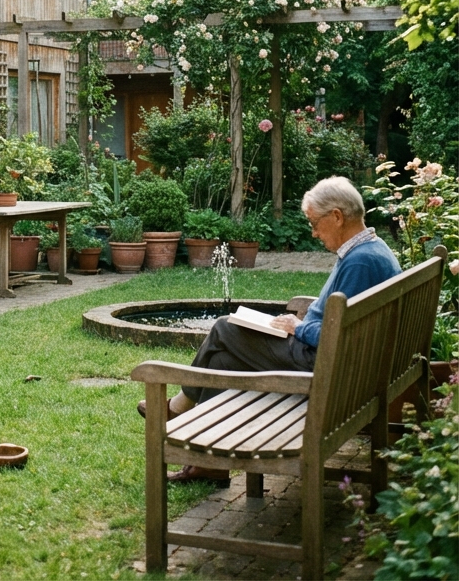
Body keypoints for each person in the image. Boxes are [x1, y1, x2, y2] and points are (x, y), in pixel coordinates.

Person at [139, 175, 401, 486]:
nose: (314, 232)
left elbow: (338, 337)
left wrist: (299, 327)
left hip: (323, 368)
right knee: (224, 362)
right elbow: (344, 325)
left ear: (337, 216)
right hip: (344, 367)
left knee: (224, 327)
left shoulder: (360, 262)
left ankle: (179, 406)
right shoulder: (373, 248)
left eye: (315, 223)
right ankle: (210, 466)